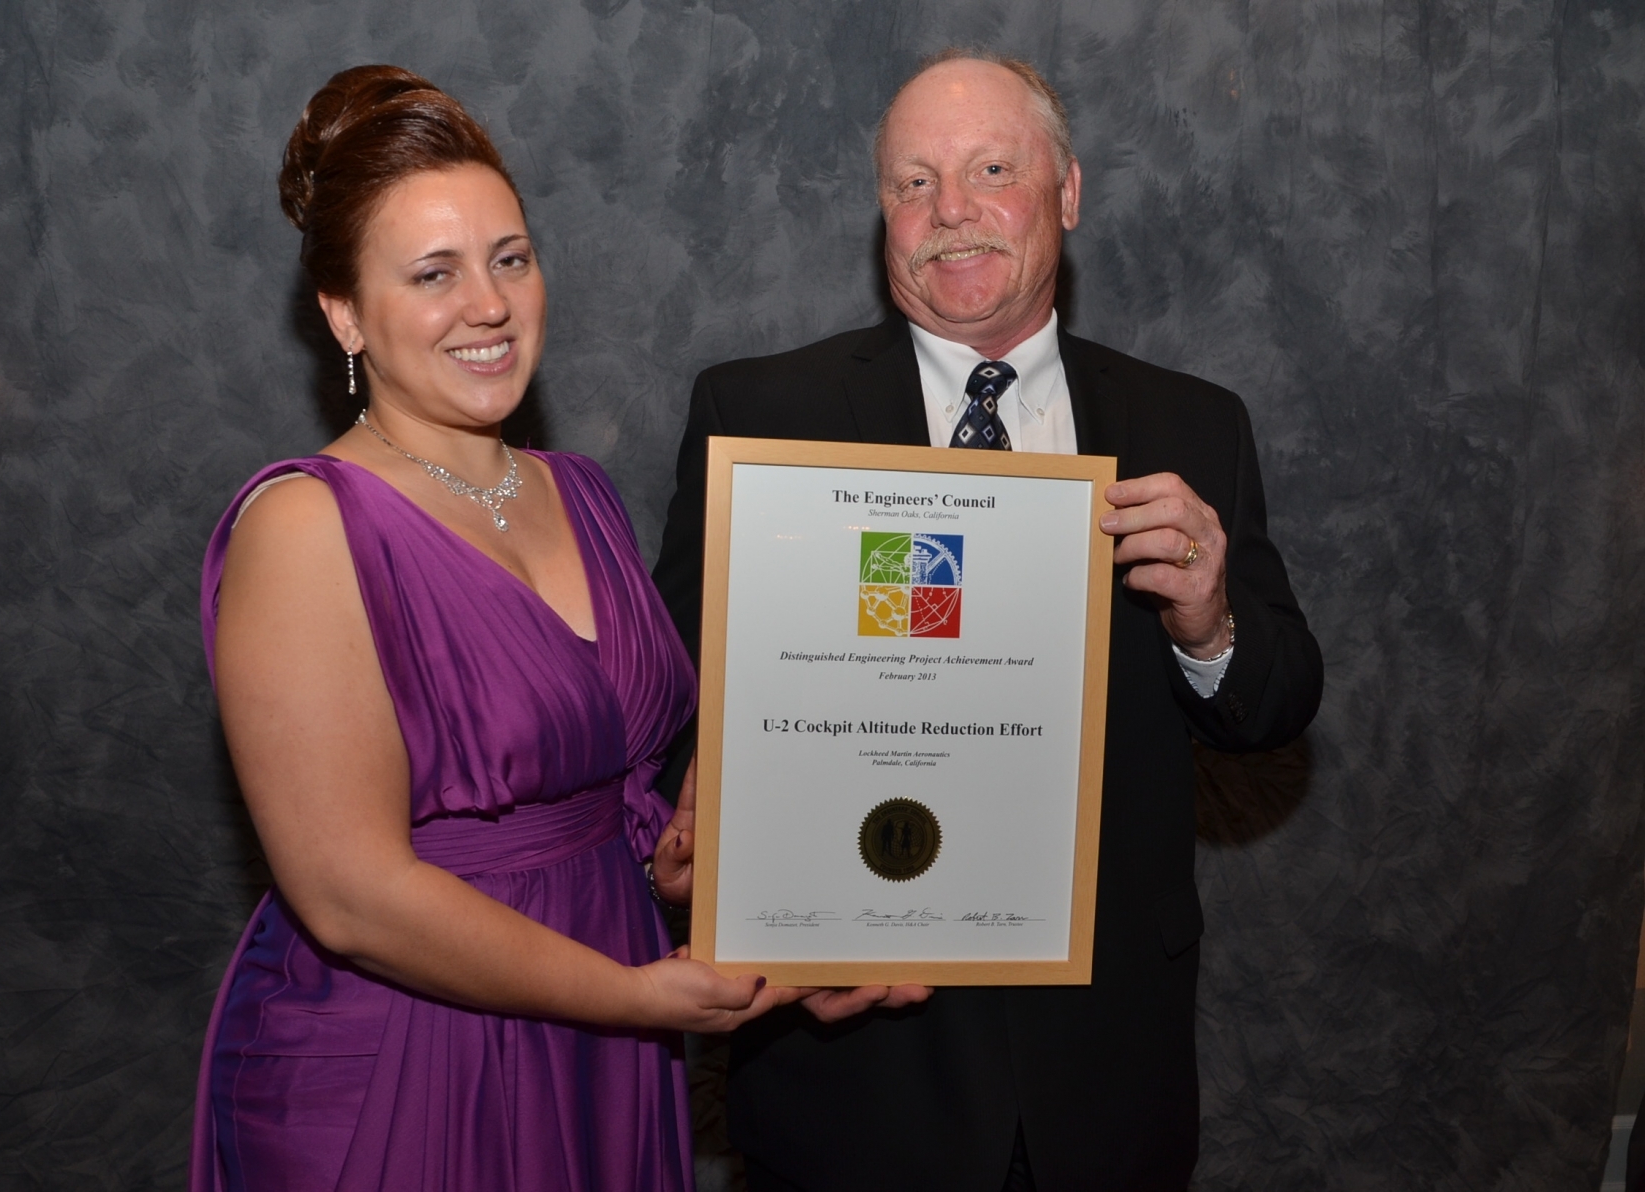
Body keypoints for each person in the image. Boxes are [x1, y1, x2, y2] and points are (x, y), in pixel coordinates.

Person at [649, 50, 1324, 1191]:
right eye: (912, 183)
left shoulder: (1192, 423)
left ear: (1067, 192)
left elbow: (1277, 704)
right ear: (882, 218)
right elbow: (675, 693)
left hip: (1103, 1065)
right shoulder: (763, 414)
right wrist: (694, 829)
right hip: (854, 1059)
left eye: (990, 169)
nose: (949, 212)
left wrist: (1208, 621)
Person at [189, 66, 794, 1192]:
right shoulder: (307, 525)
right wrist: (628, 993)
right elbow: (349, 894)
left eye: (510, 258)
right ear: (343, 313)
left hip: (602, 1035)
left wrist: (673, 856)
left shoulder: (584, 493)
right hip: (407, 1059)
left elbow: (604, 786)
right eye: (434, 273)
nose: (491, 304)